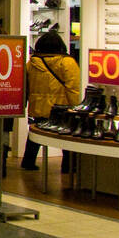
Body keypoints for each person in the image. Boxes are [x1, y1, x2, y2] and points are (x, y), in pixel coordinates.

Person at [22, 31, 80, 172]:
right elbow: (73, 87)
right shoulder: (67, 62)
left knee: (35, 134)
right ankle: (68, 167)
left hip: (38, 106)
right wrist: (76, 107)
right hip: (61, 107)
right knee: (66, 138)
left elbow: (25, 86)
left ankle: (28, 161)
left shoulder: (33, 62)